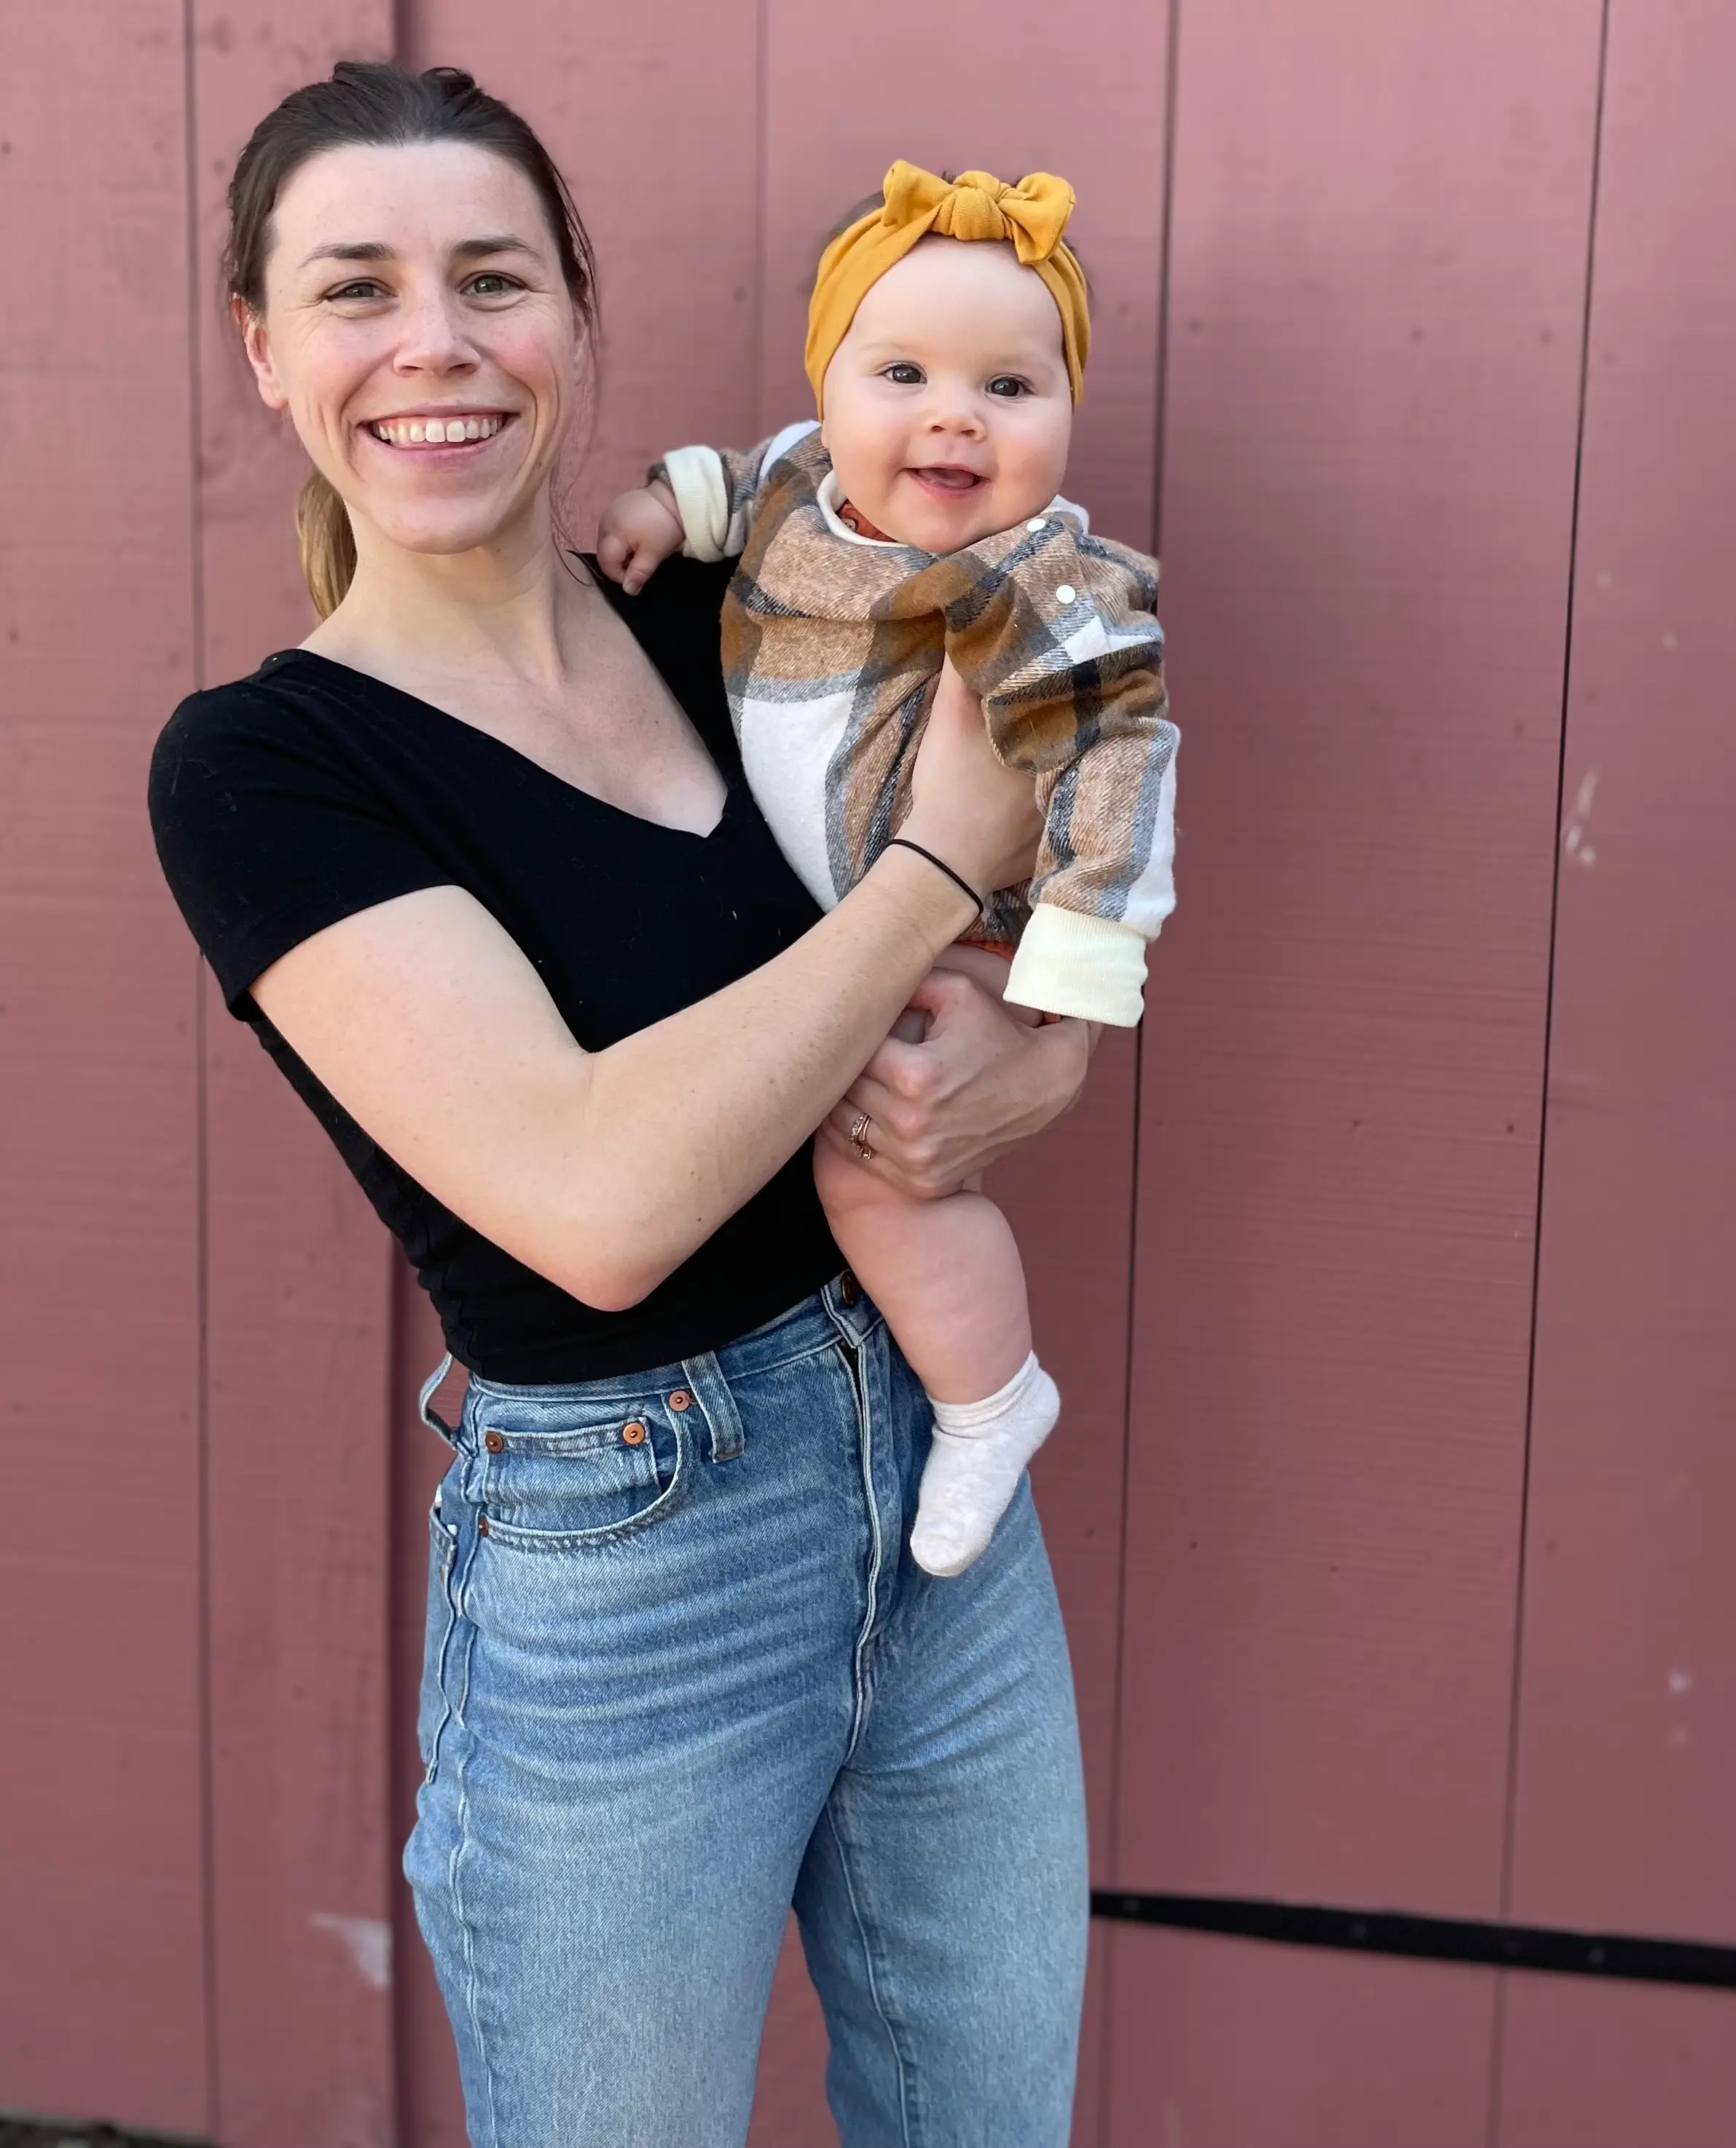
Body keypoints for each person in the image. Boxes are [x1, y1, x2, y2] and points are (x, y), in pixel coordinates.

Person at [147, 62, 1091, 2148]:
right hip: (636, 1552)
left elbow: (1040, 863)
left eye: (493, 278)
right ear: (266, 349)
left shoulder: (742, 613)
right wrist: (933, 865)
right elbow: (595, 1202)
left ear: (575, 312)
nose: (435, 342)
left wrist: (1042, 1055)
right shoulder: (268, 769)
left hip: (937, 1455)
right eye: (356, 288)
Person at [597, 162, 1177, 1578]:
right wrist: (671, 504)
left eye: (1009, 386)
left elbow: (1119, 762)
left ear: (1066, 414)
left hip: (954, 936)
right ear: (830, 387)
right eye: (903, 373)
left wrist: (1068, 993)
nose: (953, 414)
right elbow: (744, 479)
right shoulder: (809, 483)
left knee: (871, 1170)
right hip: (831, 922)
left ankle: (990, 1399)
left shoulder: (1039, 583)